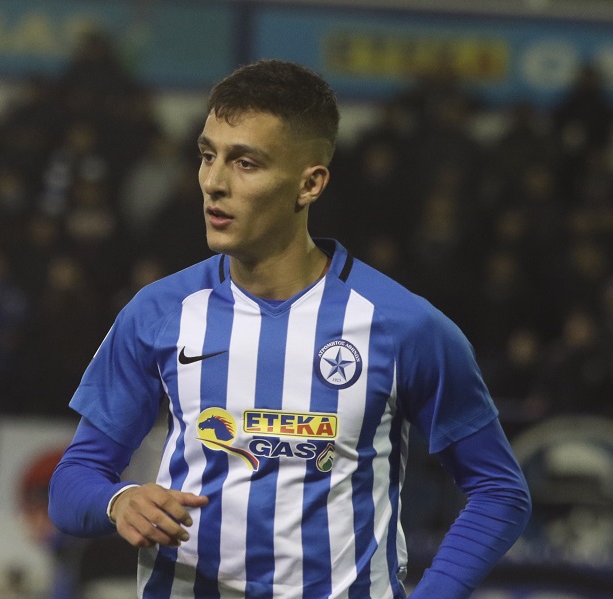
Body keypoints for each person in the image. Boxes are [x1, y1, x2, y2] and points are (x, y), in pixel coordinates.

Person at [48, 59, 531, 598]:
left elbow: (499, 492)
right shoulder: (158, 312)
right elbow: (71, 483)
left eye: (245, 163)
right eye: (207, 156)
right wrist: (118, 501)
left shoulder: (405, 327)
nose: (214, 183)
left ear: (310, 184)